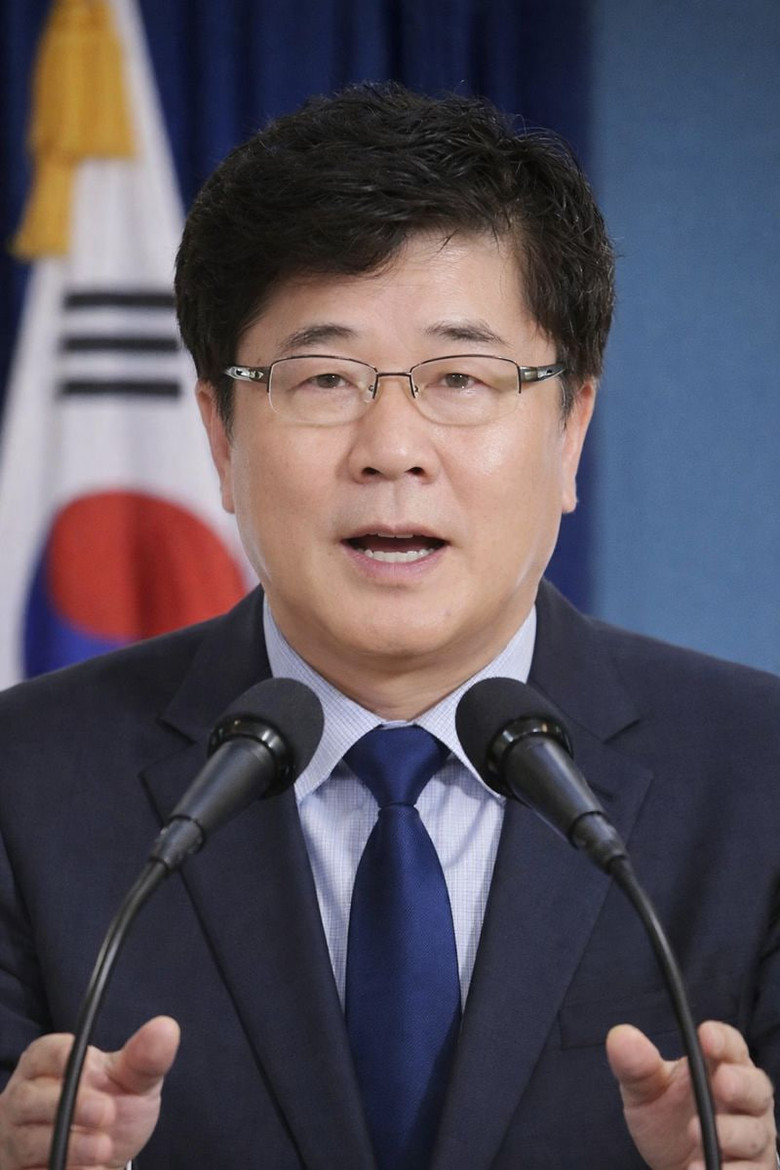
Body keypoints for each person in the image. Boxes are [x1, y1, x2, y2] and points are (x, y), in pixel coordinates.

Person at [0, 81, 778, 1170]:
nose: (392, 449)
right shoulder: (24, 785)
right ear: (221, 437)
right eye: (324, 379)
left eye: (461, 377)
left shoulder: (759, 779)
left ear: (570, 431)